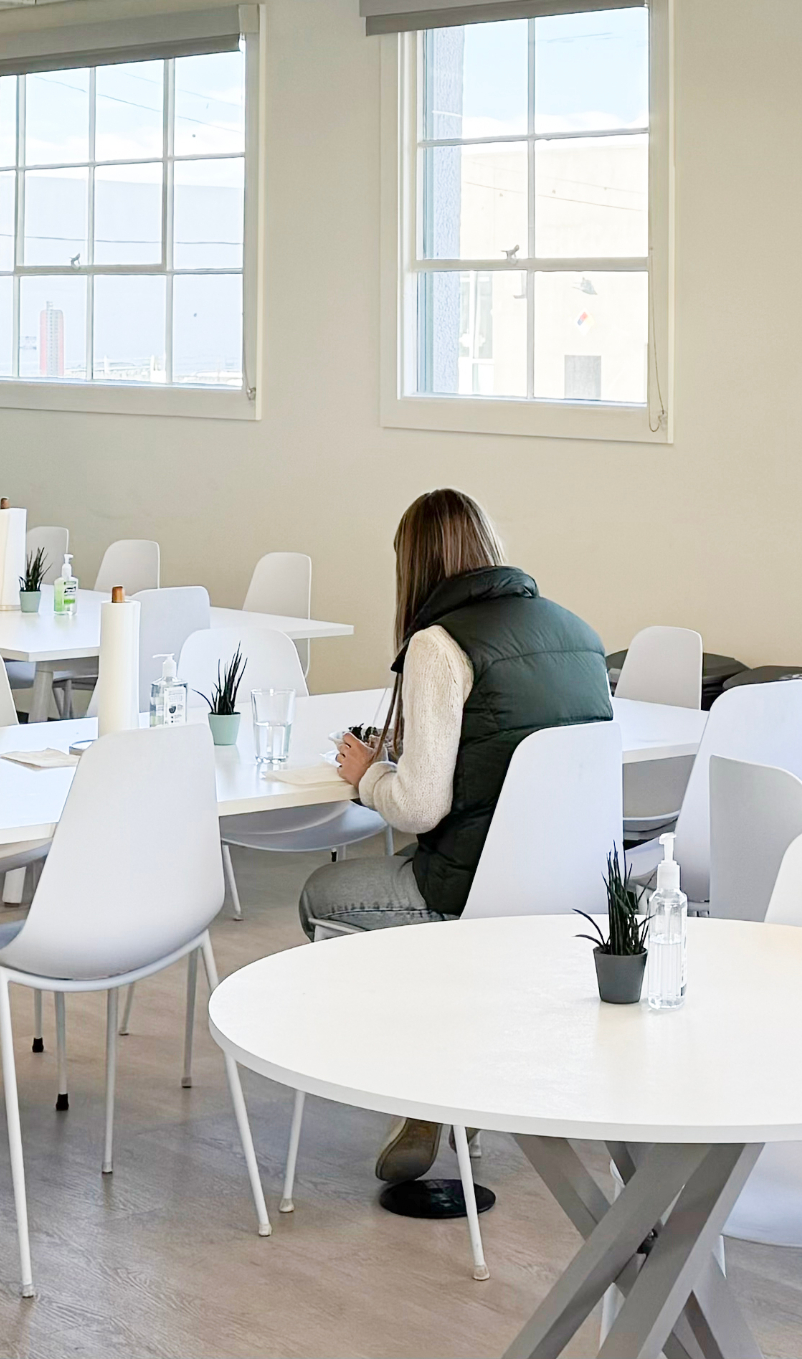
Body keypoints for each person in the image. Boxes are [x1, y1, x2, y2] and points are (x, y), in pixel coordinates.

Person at [297, 488, 611, 1190]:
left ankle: (425, 1083)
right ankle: (449, 1073)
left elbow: (416, 807)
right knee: (420, 927)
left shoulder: (439, 646)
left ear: (413, 564)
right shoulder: (577, 632)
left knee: (325, 894)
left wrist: (368, 771)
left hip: (473, 886)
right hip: (572, 889)